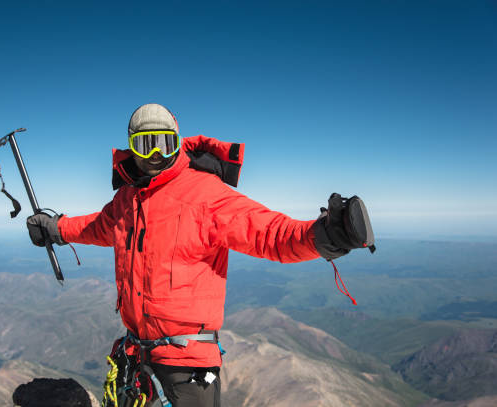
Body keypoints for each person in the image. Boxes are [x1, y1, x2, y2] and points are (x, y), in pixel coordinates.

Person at [26, 103, 370, 407]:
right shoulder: (127, 199)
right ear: (131, 149)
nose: (156, 155)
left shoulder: (205, 194)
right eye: (145, 145)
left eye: (165, 142)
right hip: (136, 357)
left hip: (187, 367)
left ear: (178, 142)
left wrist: (323, 235)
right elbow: (99, 227)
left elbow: (269, 233)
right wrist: (56, 228)